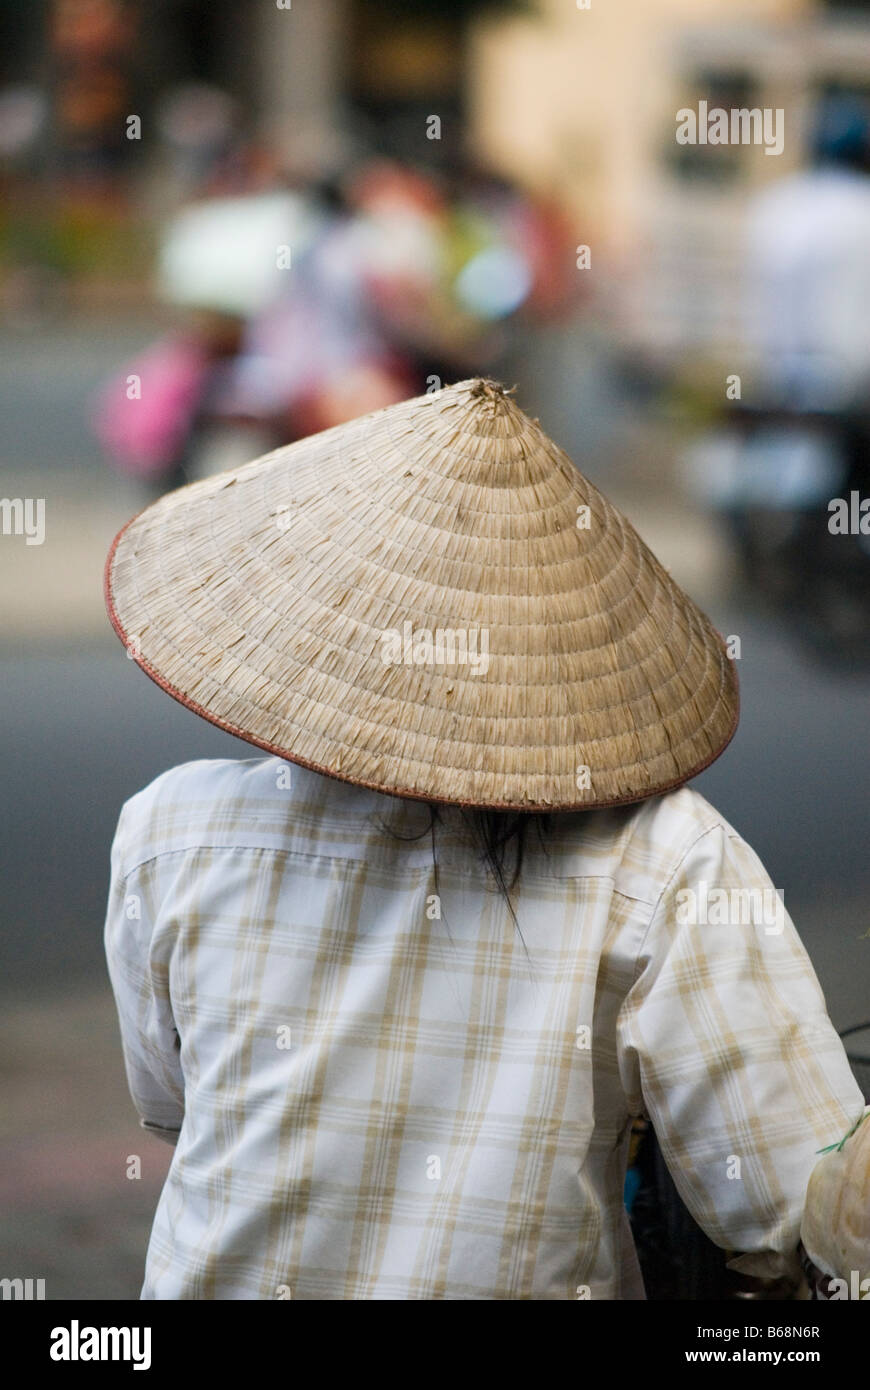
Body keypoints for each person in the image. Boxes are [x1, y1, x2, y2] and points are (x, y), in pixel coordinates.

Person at [103, 378, 866, 1300]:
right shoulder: (666, 858)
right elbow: (795, 1215)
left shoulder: (171, 830)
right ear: (562, 649)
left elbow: (174, 1105)